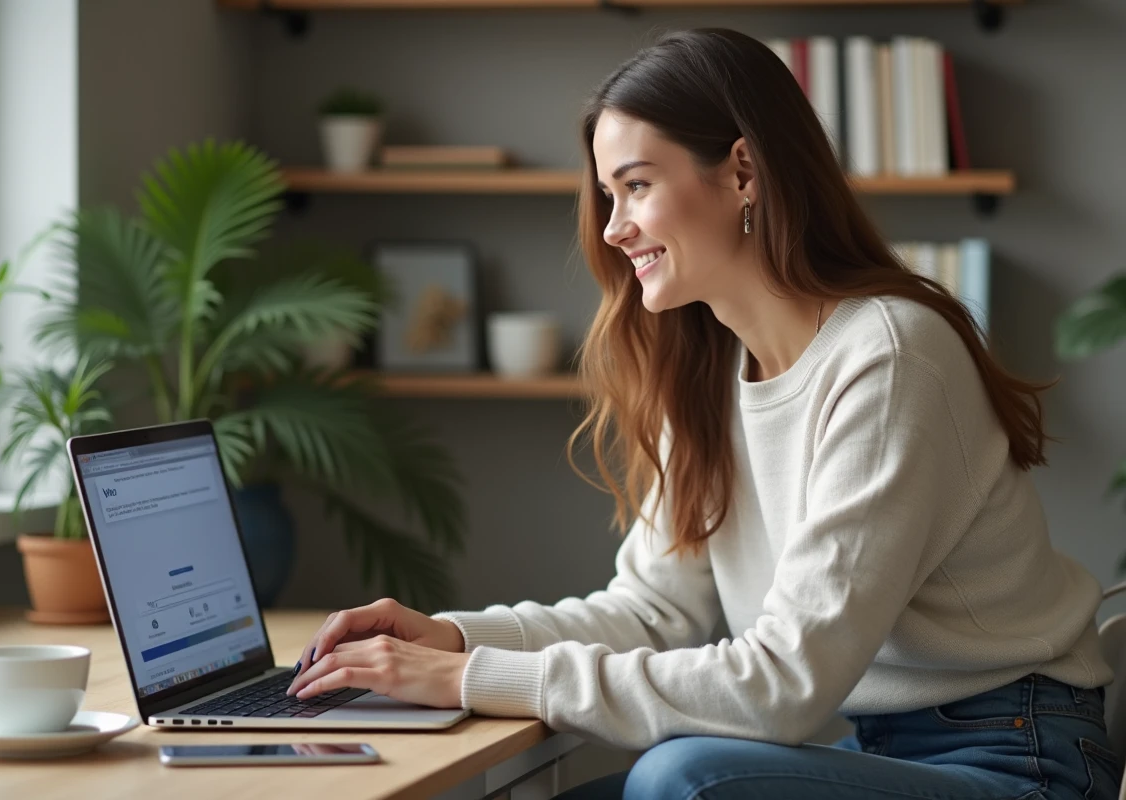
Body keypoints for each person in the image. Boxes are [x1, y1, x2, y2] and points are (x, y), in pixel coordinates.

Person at [285, 28, 1120, 800]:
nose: (613, 229)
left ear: (745, 172)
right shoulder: (710, 367)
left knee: (684, 780)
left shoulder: (890, 355)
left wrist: (471, 685)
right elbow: (651, 613)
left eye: (637, 187)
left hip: (1015, 759)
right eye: (609, 195)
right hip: (875, 750)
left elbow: (786, 686)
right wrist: (456, 642)